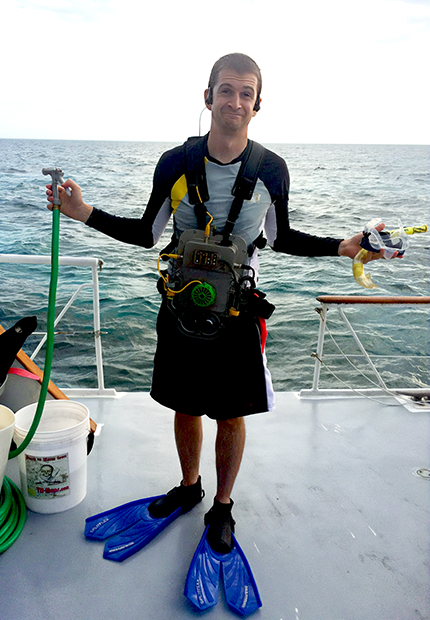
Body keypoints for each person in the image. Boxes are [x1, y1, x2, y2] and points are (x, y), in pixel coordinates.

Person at [47, 53, 382, 554]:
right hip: (180, 308)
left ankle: (221, 504)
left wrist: (344, 245)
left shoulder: (272, 170)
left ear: (258, 104)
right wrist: (82, 212)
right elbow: (146, 233)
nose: (236, 101)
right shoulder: (175, 163)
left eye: (246, 93)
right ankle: (188, 486)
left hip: (237, 314)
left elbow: (282, 236)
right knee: (185, 406)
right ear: (208, 98)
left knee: (229, 413)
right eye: (226, 90)